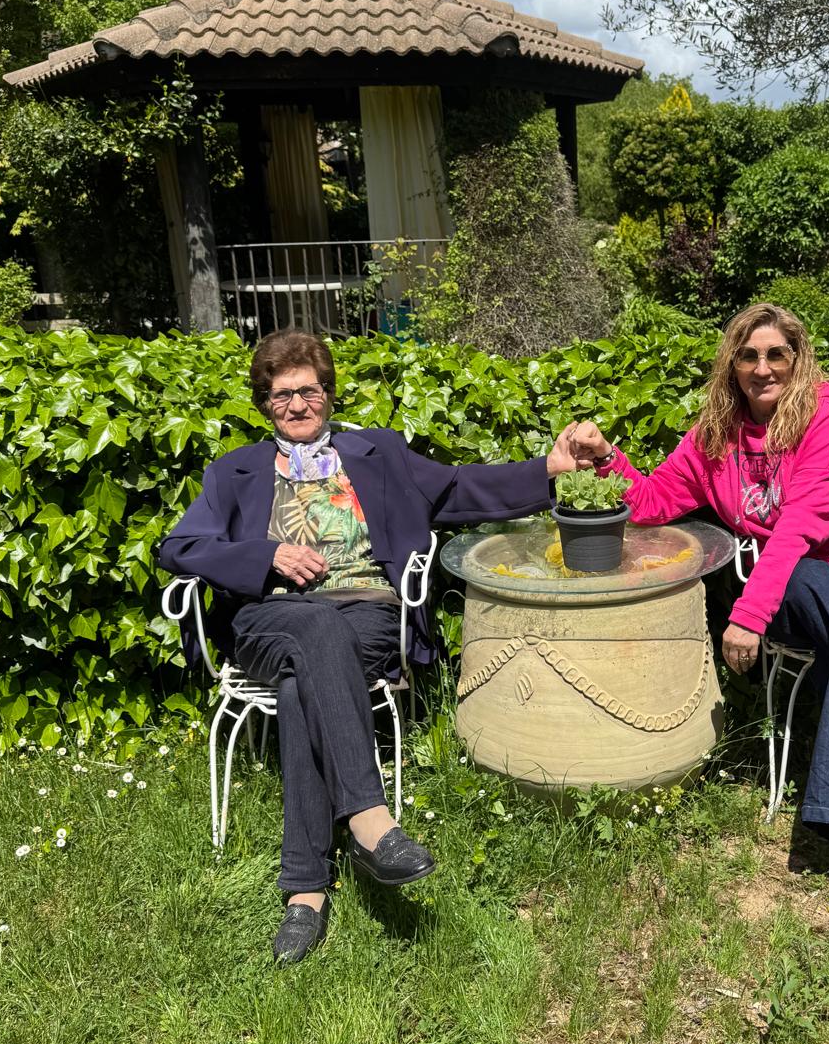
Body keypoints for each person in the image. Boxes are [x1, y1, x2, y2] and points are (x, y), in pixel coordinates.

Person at [564, 302, 829, 943]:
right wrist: (605, 457)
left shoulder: (824, 419)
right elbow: (652, 501)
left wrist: (748, 613)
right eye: (748, 355)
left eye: (776, 356)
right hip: (793, 586)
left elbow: (799, 527)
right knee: (803, 577)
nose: (762, 369)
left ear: (796, 361)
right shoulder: (713, 438)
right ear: (732, 364)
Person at [161, 328, 579, 965]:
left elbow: (457, 489)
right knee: (310, 640)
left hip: (367, 614)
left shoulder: (377, 453)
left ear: (328, 394)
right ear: (263, 404)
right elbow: (181, 547)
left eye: (309, 391)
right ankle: (370, 821)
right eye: (281, 396)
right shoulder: (235, 471)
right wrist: (265, 554)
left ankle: (305, 892)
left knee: (304, 685)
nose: (297, 405)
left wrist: (549, 468)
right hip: (270, 621)